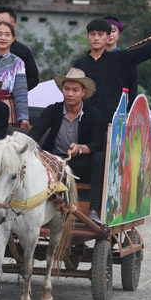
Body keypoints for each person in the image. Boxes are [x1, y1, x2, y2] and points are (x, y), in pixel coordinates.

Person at [28, 68, 106, 223]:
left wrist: (81, 148)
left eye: (75, 90)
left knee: (99, 158)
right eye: (67, 89)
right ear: (62, 90)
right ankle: (30, 207)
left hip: (79, 164)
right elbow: (35, 132)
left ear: (83, 92)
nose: (70, 94)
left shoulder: (94, 115)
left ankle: (93, 211)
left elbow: (97, 143)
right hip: (53, 163)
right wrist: (32, 144)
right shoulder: (53, 110)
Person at [73, 18, 151, 120]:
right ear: (88, 37)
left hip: (113, 121)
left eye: (100, 35)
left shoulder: (119, 58)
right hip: (86, 120)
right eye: (92, 34)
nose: (96, 38)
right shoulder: (80, 63)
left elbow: (144, 52)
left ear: (107, 37)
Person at [0, 5, 40, 91]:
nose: (0, 27)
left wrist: (16, 90)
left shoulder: (24, 52)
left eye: (5, 24)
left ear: (14, 27)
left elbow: (33, 78)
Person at [102, 16, 138, 105]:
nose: (110, 34)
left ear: (119, 33)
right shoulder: (92, 59)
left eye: (113, 31)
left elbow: (132, 88)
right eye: (106, 30)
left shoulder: (126, 59)